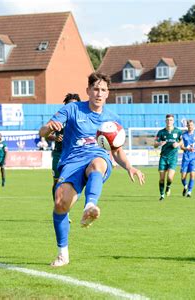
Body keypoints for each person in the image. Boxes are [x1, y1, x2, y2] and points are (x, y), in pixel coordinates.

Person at [39, 72, 144, 267]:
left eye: (103, 90)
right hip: (71, 162)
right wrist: (49, 128)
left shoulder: (113, 118)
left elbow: (117, 149)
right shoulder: (72, 109)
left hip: (98, 158)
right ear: (88, 90)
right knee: (60, 203)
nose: (99, 93)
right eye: (95, 89)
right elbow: (43, 131)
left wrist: (129, 166)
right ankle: (63, 254)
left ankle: (90, 205)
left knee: (98, 162)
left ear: (108, 93)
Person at [46, 93, 81, 200]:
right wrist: (55, 138)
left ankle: (65, 210)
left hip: (74, 155)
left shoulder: (81, 120)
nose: (72, 107)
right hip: (59, 153)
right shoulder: (59, 118)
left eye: (75, 105)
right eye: (69, 104)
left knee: (70, 184)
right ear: (65, 105)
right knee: (56, 182)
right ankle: (57, 208)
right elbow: (47, 135)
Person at [154, 114, 182, 201]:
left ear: (173, 121)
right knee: (162, 178)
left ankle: (168, 186)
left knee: (170, 177)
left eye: (170, 120)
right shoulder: (161, 132)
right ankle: (162, 195)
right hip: (163, 157)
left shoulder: (178, 131)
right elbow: (154, 144)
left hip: (173, 158)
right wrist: (159, 143)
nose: (169, 121)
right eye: (167, 120)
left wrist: (177, 144)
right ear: (165, 121)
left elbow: (182, 141)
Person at [180, 120, 195, 197]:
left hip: (194, 158)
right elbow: (181, 147)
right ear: (187, 126)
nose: (190, 126)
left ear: (194, 126)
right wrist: (187, 149)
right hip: (186, 158)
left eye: (191, 125)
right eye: (189, 125)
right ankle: (185, 186)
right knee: (183, 177)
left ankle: (189, 191)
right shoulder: (183, 135)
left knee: (192, 175)